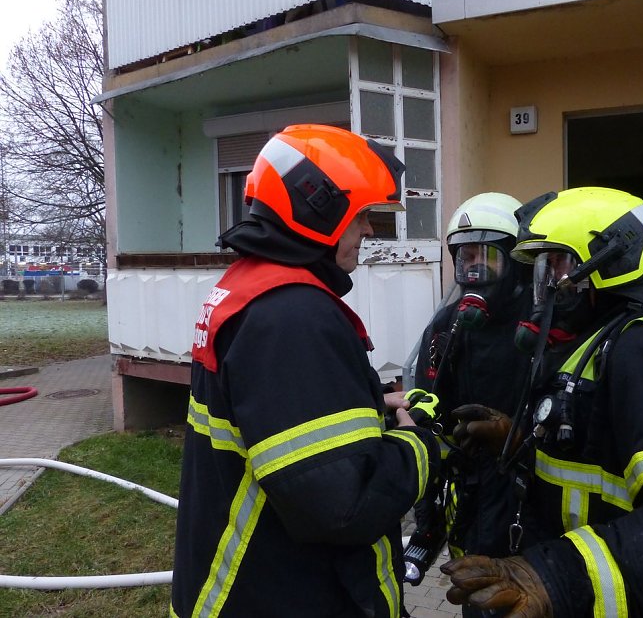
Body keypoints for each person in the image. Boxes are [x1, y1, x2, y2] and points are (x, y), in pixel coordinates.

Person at [441, 186, 643, 617]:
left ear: (610, 264)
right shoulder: (605, 338)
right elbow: (601, 459)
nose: (547, 284)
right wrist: (519, 444)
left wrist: (552, 578)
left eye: (557, 265)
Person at [171, 124, 441, 618]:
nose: (369, 230)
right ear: (320, 209)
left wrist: (362, 402)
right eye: (362, 215)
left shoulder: (251, 287)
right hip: (284, 592)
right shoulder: (293, 317)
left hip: (251, 587)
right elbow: (344, 509)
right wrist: (418, 444)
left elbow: (269, 415)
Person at [404, 193, 533, 600]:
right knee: (476, 589)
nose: (474, 267)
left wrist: (519, 439)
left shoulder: (543, 323)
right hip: (469, 488)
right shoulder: (448, 324)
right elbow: (428, 411)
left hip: (526, 487)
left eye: (487, 256)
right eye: (466, 256)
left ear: (514, 261)